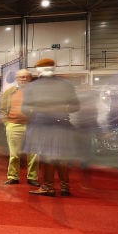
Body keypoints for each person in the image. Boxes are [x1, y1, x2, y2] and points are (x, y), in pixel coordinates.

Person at [22, 58, 80, 196]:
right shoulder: (66, 85)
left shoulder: (32, 87)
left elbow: (25, 110)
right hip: (63, 125)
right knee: (62, 156)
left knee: (47, 156)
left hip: (41, 126)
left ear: (38, 70)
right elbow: (75, 107)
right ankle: (65, 187)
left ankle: (48, 187)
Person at [0, 69, 39, 186]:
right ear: (17, 79)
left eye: (26, 77)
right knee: (14, 154)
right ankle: (13, 176)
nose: (23, 79)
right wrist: (7, 123)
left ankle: (32, 177)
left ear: (30, 79)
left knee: (33, 154)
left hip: (32, 126)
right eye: (21, 77)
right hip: (13, 125)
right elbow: (2, 109)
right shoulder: (9, 92)